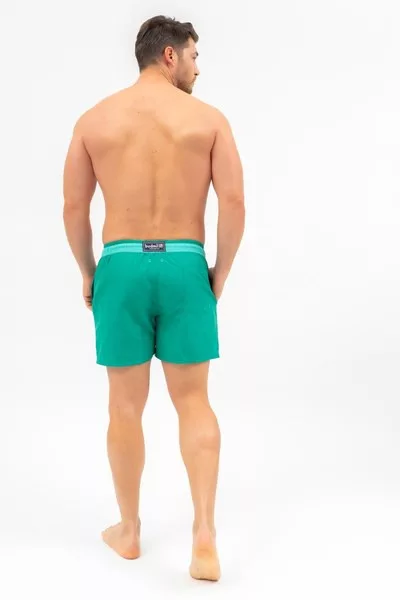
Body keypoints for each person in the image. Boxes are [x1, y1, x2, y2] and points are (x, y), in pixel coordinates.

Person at [62, 15, 245, 582]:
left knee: (124, 406)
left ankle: (129, 530)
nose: (197, 67)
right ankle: (204, 535)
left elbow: (74, 209)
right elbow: (234, 204)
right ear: (169, 55)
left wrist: (89, 272)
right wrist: (218, 274)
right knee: (195, 402)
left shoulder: (94, 120)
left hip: (120, 265)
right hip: (186, 263)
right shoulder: (209, 120)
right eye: (193, 55)